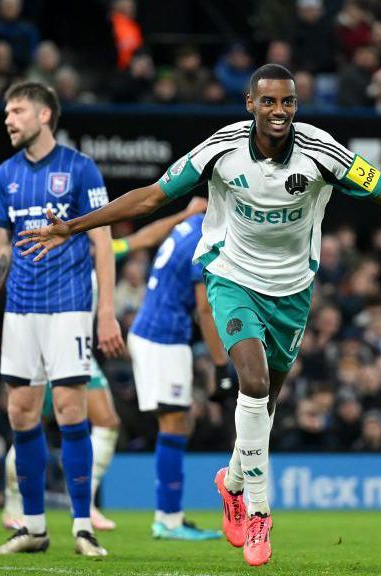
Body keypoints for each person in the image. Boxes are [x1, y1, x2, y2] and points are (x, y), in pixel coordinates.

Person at [16, 63, 381, 567]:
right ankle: (260, 514)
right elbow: (152, 196)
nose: (279, 110)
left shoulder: (323, 153)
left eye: (287, 101)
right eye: (268, 101)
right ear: (251, 105)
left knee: (262, 411)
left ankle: (234, 482)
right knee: (254, 381)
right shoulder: (219, 150)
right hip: (230, 277)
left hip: (291, 292)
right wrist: (74, 227)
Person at [0, 197, 209, 531]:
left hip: (77, 351)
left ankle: (81, 502)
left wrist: (184, 215)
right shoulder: (56, 260)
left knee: (106, 422)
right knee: (30, 423)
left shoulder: (103, 252)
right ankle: (15, 504)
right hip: (49, 348)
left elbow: (145, 238)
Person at [0, 81, 125, 558]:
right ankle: (34, 528)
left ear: (45, 115)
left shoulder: (79, 169)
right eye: (7, 111)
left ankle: (83, 526)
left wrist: (104, 311)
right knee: (20, 413)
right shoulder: (5, 173)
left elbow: (102, 242)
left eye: (17, 110)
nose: (8, 119)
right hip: (20, 309)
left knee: (70, 411)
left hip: (67, 307)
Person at [128, 210, 228, 541]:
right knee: (174, 424)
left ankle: (169, 515)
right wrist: (220, 365)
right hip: (162, 337)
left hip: (160, 333)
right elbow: (205, 309)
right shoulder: (208, 237)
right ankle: (168, 519)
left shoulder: (192, 221)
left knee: (178, 423)